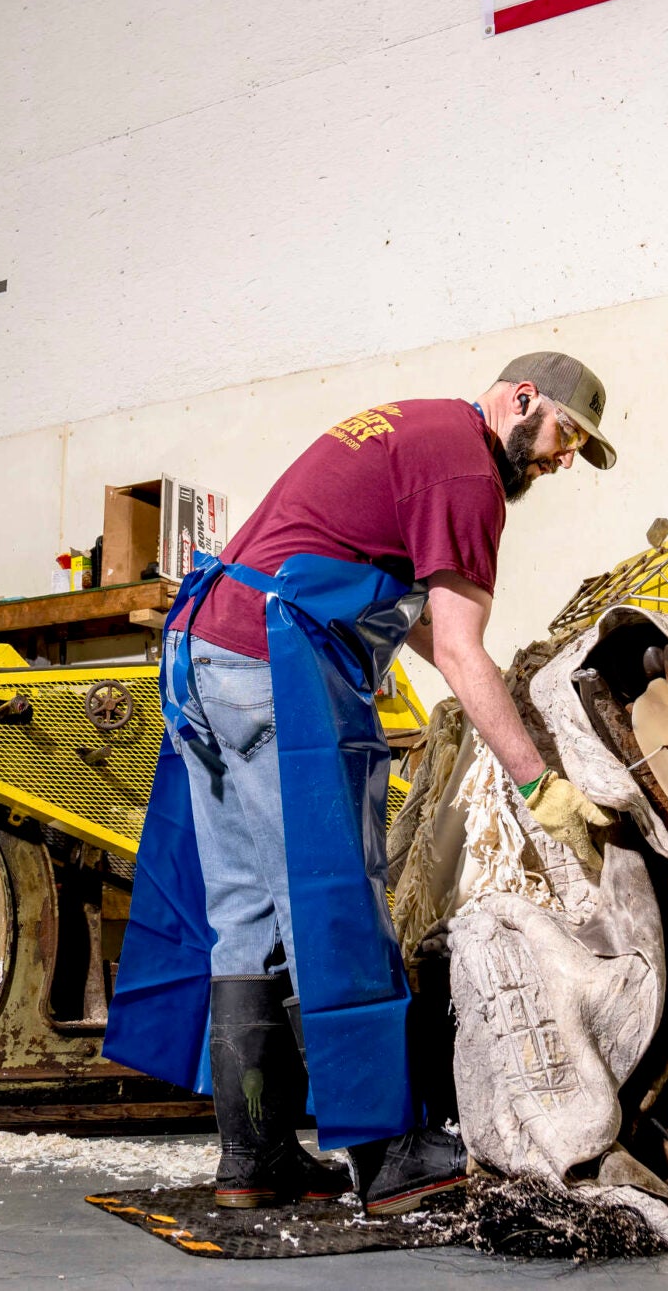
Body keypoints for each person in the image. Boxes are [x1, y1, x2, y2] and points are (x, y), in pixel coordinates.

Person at [105, 353, 620, 1216]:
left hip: (206, 657)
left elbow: (413, 620)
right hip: (274, 663)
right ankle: (392, 1156)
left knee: (244, 920)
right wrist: (540, 784)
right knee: (335, 903)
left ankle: (254, 1156)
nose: (562, 457)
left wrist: (483, 680)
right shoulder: (469, 471)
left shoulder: (418, 430)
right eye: (565, 434)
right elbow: (458, 645)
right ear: (522, 401)